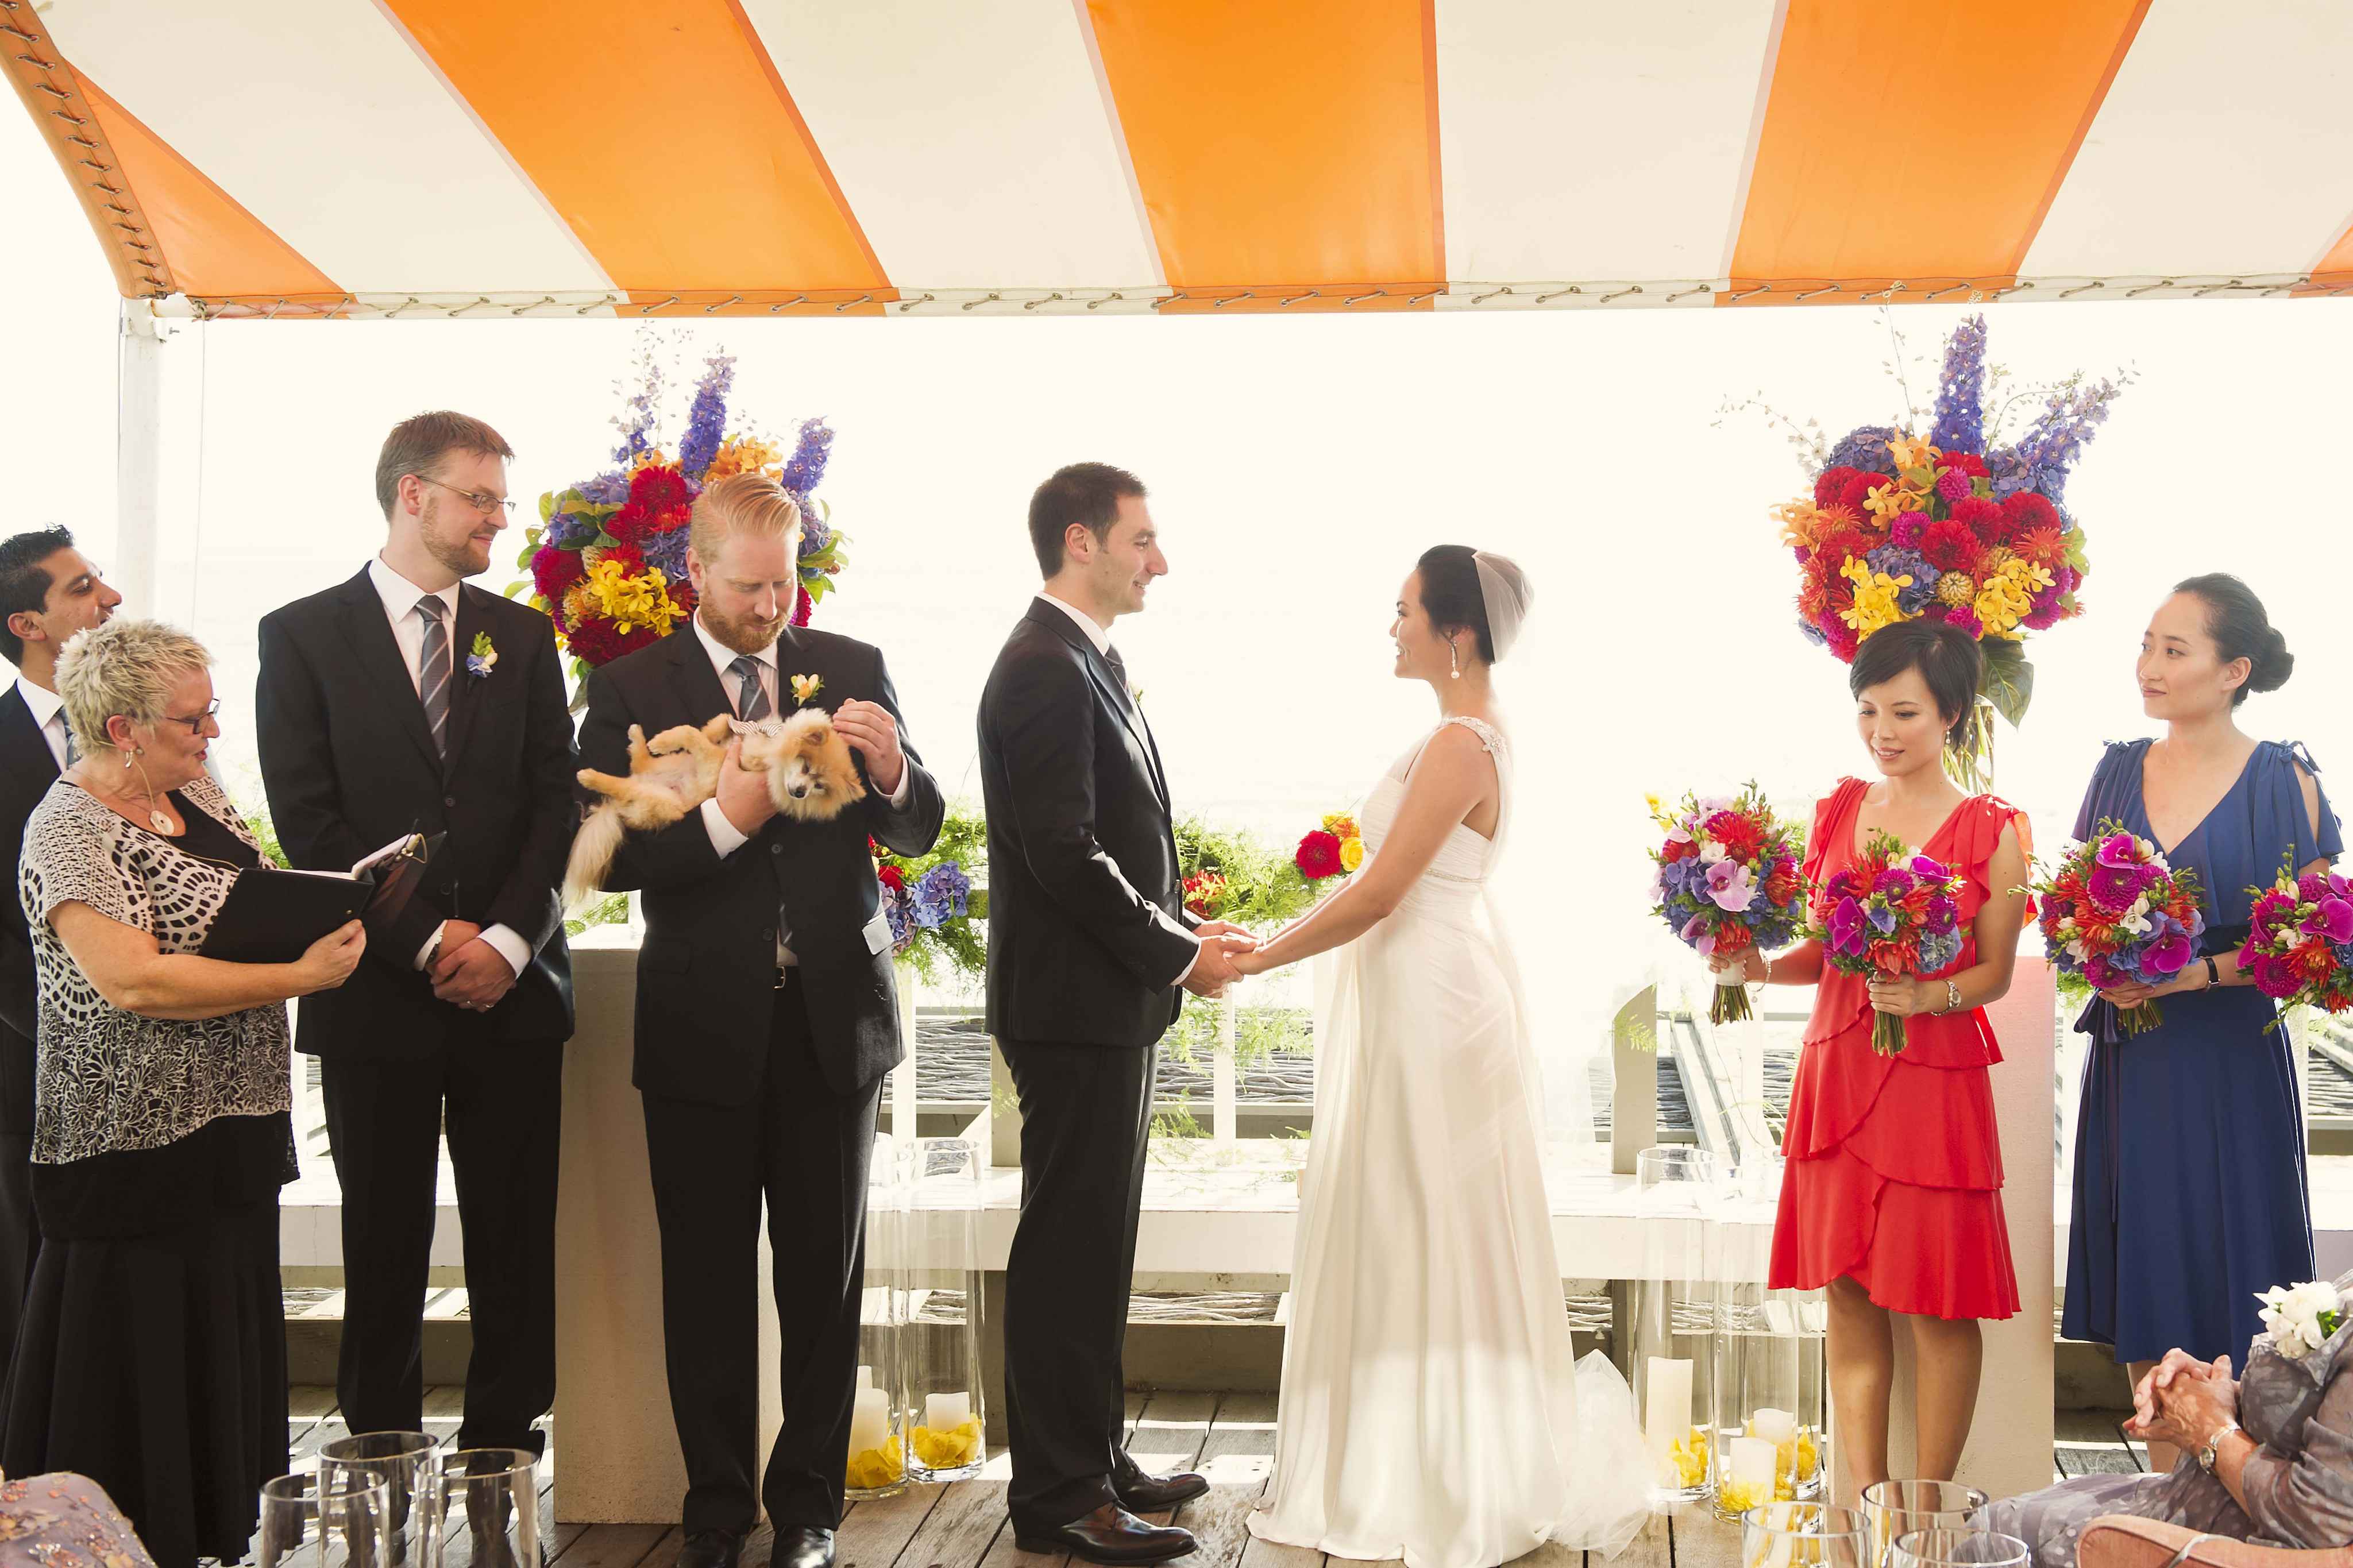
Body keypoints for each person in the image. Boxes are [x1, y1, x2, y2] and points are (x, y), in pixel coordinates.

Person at [1237, 547, 1652, 1568]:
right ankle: (1418, 1457)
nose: (1392, 627)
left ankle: (1447, 1475)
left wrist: (1255, 962)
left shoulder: (1462, 744)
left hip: (1434, 1004)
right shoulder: (1457, 737)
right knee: (1408, 1216)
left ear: (1454, 633)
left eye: (1404, 610)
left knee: (1429, 1216)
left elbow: (1382, 893)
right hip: (1420, 993)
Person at [576, 473, 944, 1568]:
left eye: (784, 584)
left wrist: (891, 770)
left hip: (835, 1022)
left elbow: (920, 828)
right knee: (703, 1278)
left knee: (824, 1282)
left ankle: (811, 1513)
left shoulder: (855, 667)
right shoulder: (629, 682)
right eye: (749, 586)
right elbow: (618, 860)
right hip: (701, 1023)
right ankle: (718, 1509)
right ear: (697, 572)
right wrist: (730, 821)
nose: (771, 606)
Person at [2, 619, 365, 1568]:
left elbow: (237, 903)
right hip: (127, 1145)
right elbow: (138, 981)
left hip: (229, 1131)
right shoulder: (68, 827)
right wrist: (301, 977)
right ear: (122, 727)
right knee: (137, 1371)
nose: (212, 738)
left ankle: (217, 1541)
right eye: (192, 721)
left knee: (219, 1354)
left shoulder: (194, 790)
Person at [254, 411, 577, 1454]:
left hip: (515, 992)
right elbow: (309, 822)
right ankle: (380, 1444)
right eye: (479, 496)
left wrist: (509, 946)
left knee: (515, 1238)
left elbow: (555, 810)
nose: (497, 517)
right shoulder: (299, 635)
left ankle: (507, 1448)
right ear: (412, 495)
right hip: (378, 992)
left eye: (499, 498)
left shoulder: (522, 637)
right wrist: (435, 943)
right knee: (382, 1235)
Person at [978, 464, 1255, 1565]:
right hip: (1071, 1006)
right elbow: (1062, 852)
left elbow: (1114, 840)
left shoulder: (1087, 659)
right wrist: (1179, 953)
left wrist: (1180, 940)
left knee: (1096, 1245)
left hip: (1104, 1003)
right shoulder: (1044, 666)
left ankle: (1092, 1456)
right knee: (1065, 1250)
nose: (1160, 561)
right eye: (1143, 540)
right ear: (1082, 541)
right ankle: (1055, 1500)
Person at [1713, 619, 2027, 1494]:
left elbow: (1995, 972)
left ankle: (1926, 1513)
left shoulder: (1994, 830)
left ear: (1953, 715)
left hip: (1932, 1084)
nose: (1882, 731)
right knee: (1848, 1290)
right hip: (1838, 1066)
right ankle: (1860, 1504)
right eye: (1868, 710)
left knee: (1937, 1300)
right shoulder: (1841, 808)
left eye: (1905, 712)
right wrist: (1759, 968)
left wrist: (1932, 996)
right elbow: (1826, 950)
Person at [2063, 574, 2337, 1472]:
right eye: (2146, 644)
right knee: (2151, 1259)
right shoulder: (2115, 770)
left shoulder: (2283, 781)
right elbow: (2070, 909)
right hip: (2137, 1059)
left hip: (2232, 1061)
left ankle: (2241, 1489)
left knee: (2240, 1263)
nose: (2149, 666)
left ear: (2235, 670)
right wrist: (2100, 956)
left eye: (2174, 650)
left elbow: (2321, 941)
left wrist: (2199, 971)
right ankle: (2171, 1489)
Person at [1984, 1265, 2353, 1567]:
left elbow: (2320, 1523)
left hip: (2222, 1540)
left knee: (1991, 1538)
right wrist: (2216, 1393)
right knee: (1999, 1521)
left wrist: (2211, 1430)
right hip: (2186, 1496)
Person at [0, 527, 119, 1381]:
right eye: (81, 588)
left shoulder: (153, 735)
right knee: (39, 1298)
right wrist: (80, 1019)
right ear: (27, 623)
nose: (107, 598)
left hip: (164, 1061)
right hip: (29, 1071)